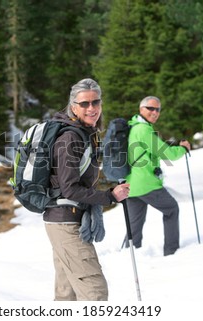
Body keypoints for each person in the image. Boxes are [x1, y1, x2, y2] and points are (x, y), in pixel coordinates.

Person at [44, 78, 130, 301]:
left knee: (67, 294)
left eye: (95, 102)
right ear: (73, 106)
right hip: (66, 221)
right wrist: (109, 196)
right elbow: (70, 188)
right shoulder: (70, 137)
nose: (91, 108)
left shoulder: (84, 134)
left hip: (63, 219)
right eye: (84, 104)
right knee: (95, 292)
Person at [126, 96, 191, 256]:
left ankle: (129, 256)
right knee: (171, 209)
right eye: (151, 108)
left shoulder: (134, 127)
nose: (155, 112)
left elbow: (152, 149)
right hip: (146, 182)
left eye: (158, 109)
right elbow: (166, 153)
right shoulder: (143, 129)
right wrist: (183, 149)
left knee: (134, 224)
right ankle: (172, 252)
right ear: (141, 109)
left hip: (131, 184)